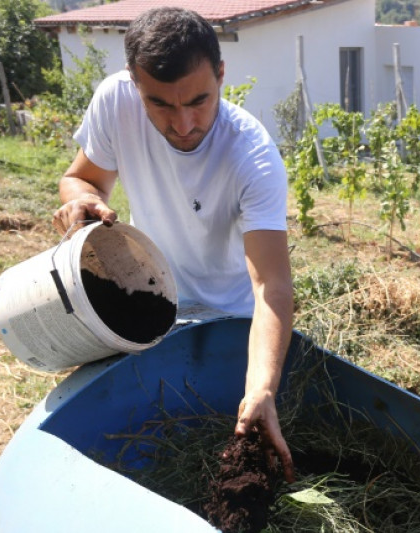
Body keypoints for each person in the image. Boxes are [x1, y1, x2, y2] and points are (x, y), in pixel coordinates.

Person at [51, 7, 295, 482]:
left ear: (221, 75)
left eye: (199, 101)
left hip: (233, 322)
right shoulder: (115, 101)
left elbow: (272, 287)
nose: (183, 123)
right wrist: (82, 202)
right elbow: (82, 179)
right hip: (153, 305)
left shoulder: (252, 157)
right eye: (160, 104)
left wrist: (262, 387)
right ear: (133, 83)